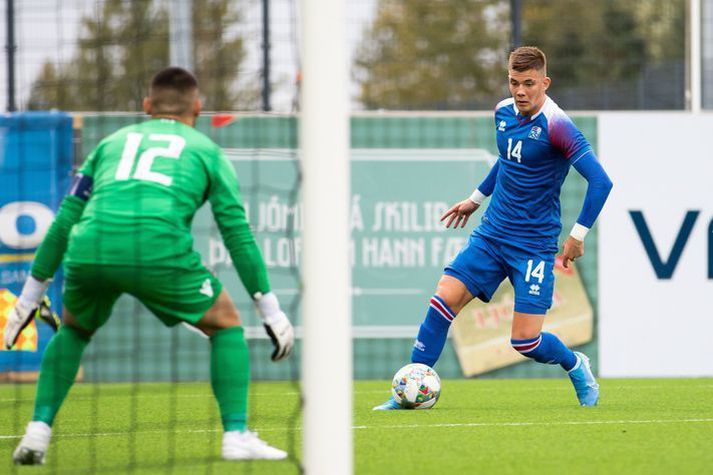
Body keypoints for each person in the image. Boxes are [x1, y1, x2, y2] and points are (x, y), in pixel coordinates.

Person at [4, 67, 295, 463]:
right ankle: (236, 435)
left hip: (91, 247)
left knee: (74, 328)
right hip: (157, 248)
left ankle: (38, 430)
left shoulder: (110, 144)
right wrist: (270, 309)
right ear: (198, 106)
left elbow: (64, 221)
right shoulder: (206, 151)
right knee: (225, 323)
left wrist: (29, 296)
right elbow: (237, 235)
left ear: (146, 106)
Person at [374, 46, 613, 410]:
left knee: (525, 342)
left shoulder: (558, 126)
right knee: (442, 300)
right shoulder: (503, 112)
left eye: (529, 83)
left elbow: (601, 182)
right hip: (492, 235)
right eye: (514, 82)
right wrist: (475, 198)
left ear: (545, 83)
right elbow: (507, 162)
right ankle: (410, 390)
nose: (520, 91)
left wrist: (577, 236)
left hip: (533, 245)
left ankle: (575, 364)